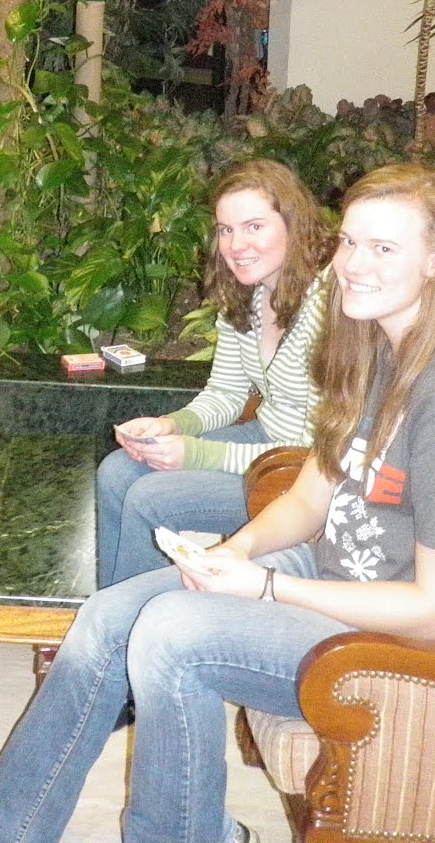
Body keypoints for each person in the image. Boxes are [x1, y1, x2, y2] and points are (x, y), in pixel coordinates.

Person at [0, 163, 435, 843]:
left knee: (171, 636)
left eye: (384, 248)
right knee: (110, 614)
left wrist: (264, 588)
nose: (354, 265)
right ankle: (1, 829)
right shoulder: (380, 348)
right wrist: (235, 552)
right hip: (340, 577)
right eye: (351, 242)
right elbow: (311, 494)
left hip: (410, 650)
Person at [99, 159, 334, 587]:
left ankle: (143, 618)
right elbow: (226, 392)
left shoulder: (329, 309)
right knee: (116, 473)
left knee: (150, 499)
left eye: (254, 226)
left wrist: (196, 454)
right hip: (265, 439)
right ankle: (112, 609)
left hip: (300, 472)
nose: (236, 244)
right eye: (226, 230)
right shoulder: (245, 293)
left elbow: (316, 447)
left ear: (294, 225)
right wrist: (172, 425)